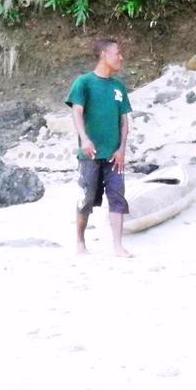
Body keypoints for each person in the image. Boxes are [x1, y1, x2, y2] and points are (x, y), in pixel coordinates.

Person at [68, 39, 133, 257]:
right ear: (105, 54)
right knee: (86, 199)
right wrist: (84, 139)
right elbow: (76, 112)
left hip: (115, 155)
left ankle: (117, 246)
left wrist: (122, 148)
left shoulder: (119, 87)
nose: (121, 57)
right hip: (90, 154)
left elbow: (124, 122)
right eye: (118, 53)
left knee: (118, 197)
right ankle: (80, 242)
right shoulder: (84, 83)